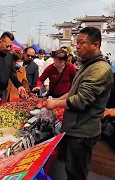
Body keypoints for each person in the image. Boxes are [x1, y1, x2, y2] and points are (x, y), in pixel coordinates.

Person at [45, 27, 114, 180]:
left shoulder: (100, 69)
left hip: (83, 132)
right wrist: (56, 99)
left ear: (95, 45)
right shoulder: (87, 65)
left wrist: (56, 103)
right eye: (77, 43)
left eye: (82, 43)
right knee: (71, 171)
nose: (77, 46)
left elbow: (81, 100)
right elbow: (73, 92)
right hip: (75, 128)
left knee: (76, 175)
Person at [0, 32, 26, 103]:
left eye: (10, 46)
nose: (9, 48)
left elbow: (12, 74)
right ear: (0, 42)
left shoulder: (9, 56)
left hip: (4, 91)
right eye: (7, 46)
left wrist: (19, 86)